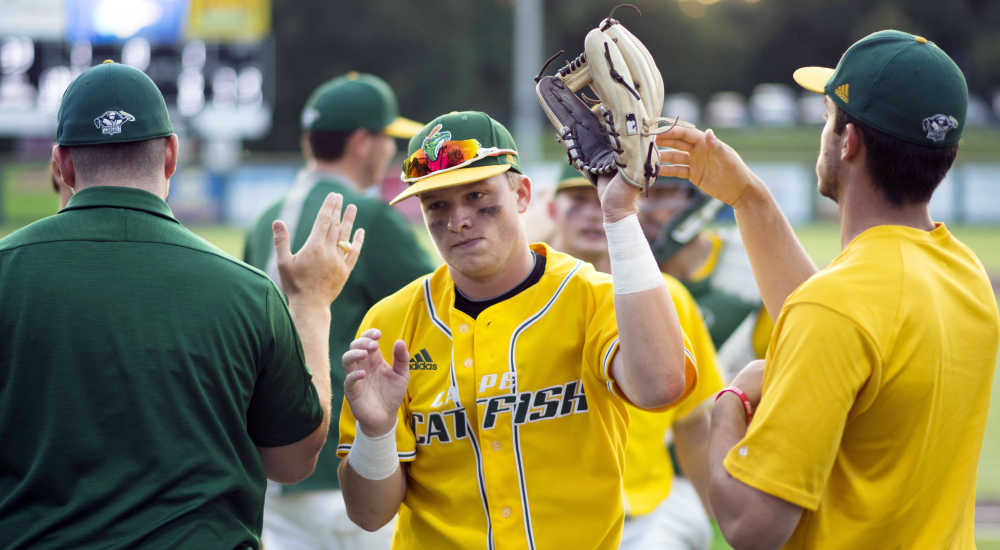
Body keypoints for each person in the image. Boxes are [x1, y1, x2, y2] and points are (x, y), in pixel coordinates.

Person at [657, 30, 1000, 549]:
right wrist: (749, 198)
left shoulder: (836, 307)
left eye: (827, 118)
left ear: (849, 141)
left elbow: (752, 527)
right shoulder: (964, 273)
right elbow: (840, 332)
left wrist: (726, 403)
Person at [0, 61, 364, 548]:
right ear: (171, 156)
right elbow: (292, 461)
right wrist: (313, 305)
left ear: (62, 164)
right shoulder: (248, 292)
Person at [336, 110, 697, 549]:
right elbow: (369, 514)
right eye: (438, 205)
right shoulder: (392, 324)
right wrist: (375, 434)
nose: (458, 220)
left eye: (477, 195)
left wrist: (619, 215)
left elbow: (661, 386)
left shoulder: (588, 297)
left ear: (522, 193)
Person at [243, 72, 435, 550]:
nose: (389, 152)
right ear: (361, 142)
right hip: (348, 467)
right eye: (386, 139)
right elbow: (437, 315)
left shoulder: (265, 220)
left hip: (272, 472)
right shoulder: (367, 217)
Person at [547, 164, 723, 550]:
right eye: (577, 200)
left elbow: (693, 422)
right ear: (550, 209)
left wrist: (723, 522)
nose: (594, 212)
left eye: (601, 199)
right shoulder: (522, 300)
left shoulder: (669, 297)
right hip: (545, 518)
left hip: (643, 514)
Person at [640, 177, 772, 380]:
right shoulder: (613, 266)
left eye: (662, 194)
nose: (644, 210)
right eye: (638, 195)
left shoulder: (750, 262)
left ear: (697, 199)